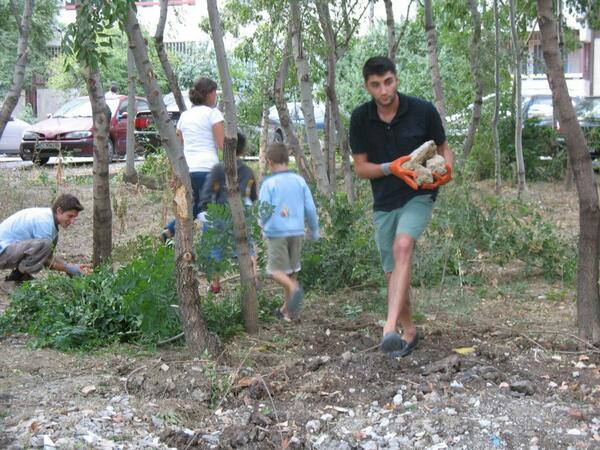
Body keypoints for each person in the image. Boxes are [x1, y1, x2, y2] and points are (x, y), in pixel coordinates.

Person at [349, 56, 453, 357]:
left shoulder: (422, 110)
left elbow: (445, 149)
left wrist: (447, 171)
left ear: (396, 79)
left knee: (403, 245)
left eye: (388, 82)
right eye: (376, 85)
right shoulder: (360, 118)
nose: (383, 90)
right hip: (384, 200)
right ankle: (409, 332)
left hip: (419, 194)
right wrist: (391, 168)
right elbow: (360, 168)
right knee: (392, 271)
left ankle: (388, 328)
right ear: (367, 86)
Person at [159, 77, 224, 242]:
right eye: (214, 93)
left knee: (194, 206)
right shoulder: (213, 114)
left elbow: (178, 145)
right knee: (212, 210)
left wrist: (176, 172)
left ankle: (170, 231)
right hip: (208, 169)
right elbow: (222, 144)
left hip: (188, 170)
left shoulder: (184, 117)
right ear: (208, 95)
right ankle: (208, 253)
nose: (215, 97)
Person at [259, 142, 319, 321]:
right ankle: (287, 312)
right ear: (287, 159)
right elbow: (310, 207)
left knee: (275, 271)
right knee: (291, 272)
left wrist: (262, 225)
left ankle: (294, 289)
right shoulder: (299, 181)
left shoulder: (269, 183)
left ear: (269, 162)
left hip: (277, 232)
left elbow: (263, 210)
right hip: (297, 231)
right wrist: (314, 230)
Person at [197, 132, 258, 294]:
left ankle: (215, 284)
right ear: (243, 150)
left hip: (221, 215)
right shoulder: (248, 171)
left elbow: (208, 191)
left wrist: (204, 210)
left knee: (215, 250)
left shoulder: (218, 169)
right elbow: (252, 196)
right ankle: (253, 279)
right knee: (248, 247)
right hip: (242, 214)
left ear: (224, 149)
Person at [0, 194, 91, 283]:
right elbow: (45, 260)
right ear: (59, 211)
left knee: (46, 245)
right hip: (2, 253)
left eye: (75, 217)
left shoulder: (50, 221)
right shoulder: (45, 223)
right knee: (45, 244)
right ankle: (12, 280)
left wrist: (70, 267)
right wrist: (69, 269)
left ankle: (21, 276)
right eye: (70, 216)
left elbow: (48, 257)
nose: (72, 221)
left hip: (9, 250)